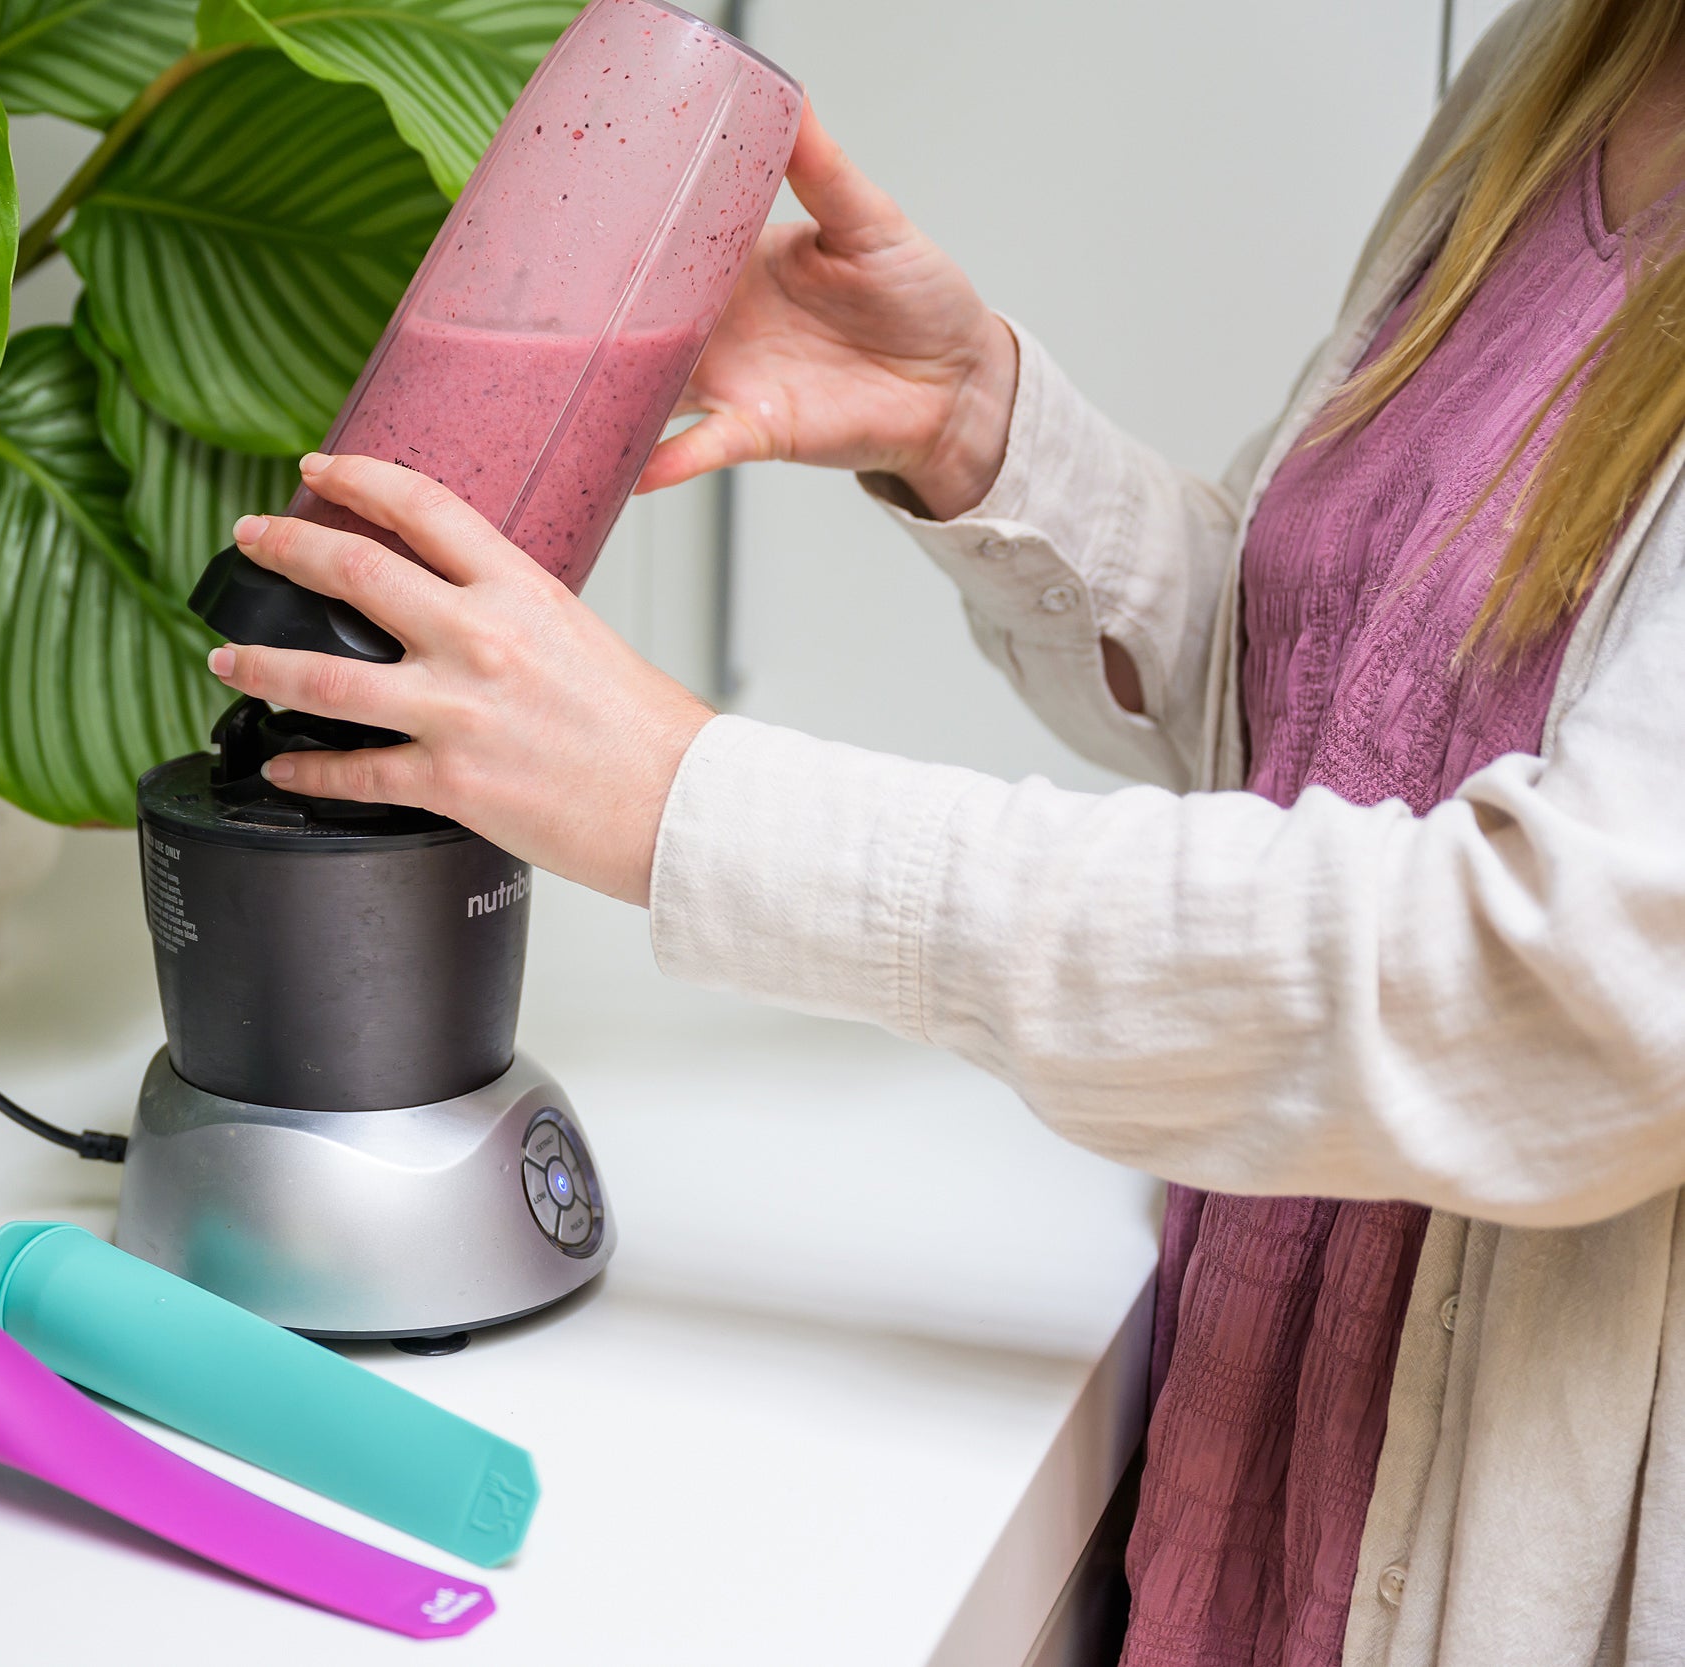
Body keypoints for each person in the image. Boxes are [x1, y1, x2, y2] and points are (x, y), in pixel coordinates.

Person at [204, 0, 1685, 1662]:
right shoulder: (1567, 70)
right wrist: (974, 423)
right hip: (1266, 1410)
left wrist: (694, 801)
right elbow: (1347, 723)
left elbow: (1574, 992)